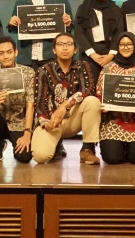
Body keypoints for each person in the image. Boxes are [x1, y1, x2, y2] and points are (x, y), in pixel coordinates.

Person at [30, 33, 102, 165]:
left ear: (75, 49)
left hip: (73, 118)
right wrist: (45, 122)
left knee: (92, 101)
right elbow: (39, 102)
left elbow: (88, 90)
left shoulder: (83, 66)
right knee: (40, 156)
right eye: (60, 44)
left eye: (69, 44)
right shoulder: (43, 70)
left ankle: (88, 149)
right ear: (54, 49)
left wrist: (65, 105)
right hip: (52, 120)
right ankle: (56, 144)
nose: (65, 48)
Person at [96, 32, 135, 165]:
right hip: (113, 120)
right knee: (112, 158)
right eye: (122, 45)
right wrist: (102, 106)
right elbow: (99, 92)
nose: (125, 47)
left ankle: (131, 149)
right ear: (117, 47)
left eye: (129, 44)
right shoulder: (108, 68)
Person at [8, 0, 73, 69]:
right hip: (27, 57)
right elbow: (15, 29)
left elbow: (71, 27)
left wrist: (68, 23)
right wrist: (12, 24)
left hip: (52, 56)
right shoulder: (21, 0)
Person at [0, 37, 35, 163]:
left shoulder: (28, 72)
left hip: (18, 122)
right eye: (1, 53)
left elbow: (30, 105)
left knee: (24, 157)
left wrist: (27, 133)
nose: (6, 57)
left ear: (16, 52)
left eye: (9, 52)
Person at [73, 0, 122, 87]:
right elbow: (79, 33)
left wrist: (111, 55)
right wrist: (93, 55)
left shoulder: (115, 9)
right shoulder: (83, 8)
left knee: (110, 89)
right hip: (89, 55)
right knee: (89, 88)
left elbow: (119, 32)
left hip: (111, 55)